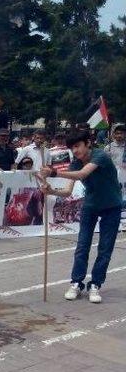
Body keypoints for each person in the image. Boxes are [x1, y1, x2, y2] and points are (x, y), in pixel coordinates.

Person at [40, 129, 122, 304]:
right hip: (90, 206)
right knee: (82, 246)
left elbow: (83, 174)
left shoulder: (100, 156)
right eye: (71, 148)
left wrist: (53, 173)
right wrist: (51, 191)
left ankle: (95, 284)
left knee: (105, 249)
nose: (75, 151)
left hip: (112, 207)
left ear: (88, 144)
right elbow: (68, 191)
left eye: (77, 146)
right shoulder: (75, 163)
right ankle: (76, 282)